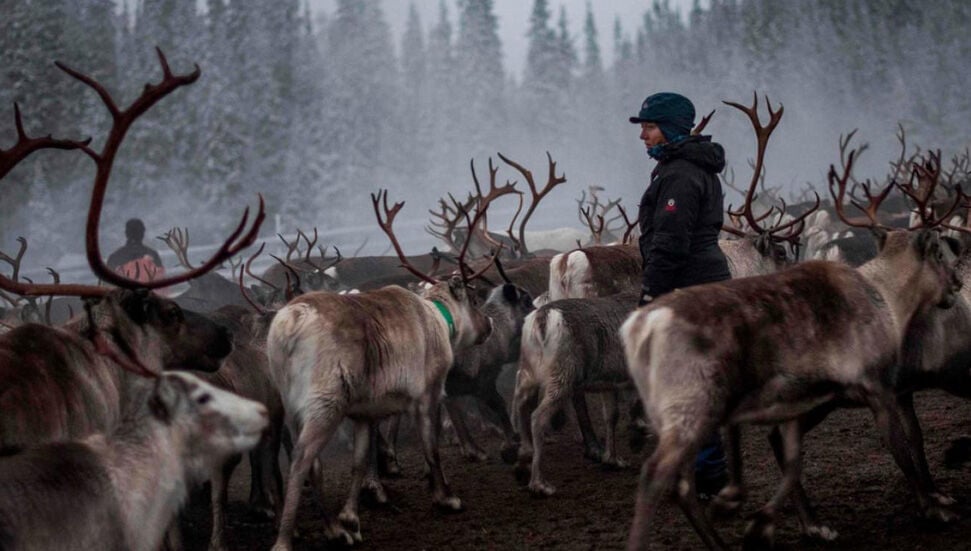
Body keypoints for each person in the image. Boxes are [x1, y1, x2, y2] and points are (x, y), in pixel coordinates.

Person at [629, 92, 731, 499]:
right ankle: (704, 470)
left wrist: (651, 294)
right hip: (701, 284)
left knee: (690, 382)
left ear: (669, 129)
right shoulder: (682, 168)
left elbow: (670, 243)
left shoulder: (681, 175)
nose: (643, 136)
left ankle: (707, 476)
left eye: (649, 127)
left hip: (690, 290)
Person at [106, 218, 165, 284]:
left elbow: (107, 285)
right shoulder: (153, 255)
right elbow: (160, 283)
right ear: (143, 233)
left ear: (126, 233)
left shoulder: (114, 257)